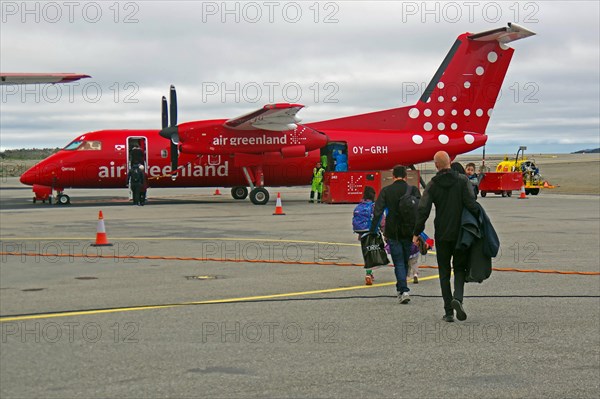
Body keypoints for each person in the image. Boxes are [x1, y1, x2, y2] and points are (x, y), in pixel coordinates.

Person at [413, 151, 480, 322]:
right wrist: (480, 221)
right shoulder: (463, 180)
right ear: (450, 162)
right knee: (459, 268)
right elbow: (471, 204)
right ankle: (458, 297)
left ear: (436, 165)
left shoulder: (433, 184)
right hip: (461, 233)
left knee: (444, 272)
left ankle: (448, 311)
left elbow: (423, 210)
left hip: (442, 234)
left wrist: (416, 232)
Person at [369, 165, 420, 304]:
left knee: (398, 262)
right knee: (404, 260)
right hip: (409, 231)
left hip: (393, 231)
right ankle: (401, 288)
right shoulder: (413, 190)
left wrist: (373, 231)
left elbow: (378, 212)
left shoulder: (386, 190)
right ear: (405, 176)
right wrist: (419, 231)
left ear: (393, 176)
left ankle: (403, 290)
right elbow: (420, 210)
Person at [352, 186, 378, 285]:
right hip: (371, 232)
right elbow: (380, 219)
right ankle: (368, 273)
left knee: (367, 253)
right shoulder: (373, 206)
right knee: (372, 253)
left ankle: (369, 273)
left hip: (361, 233)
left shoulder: (360, 205)